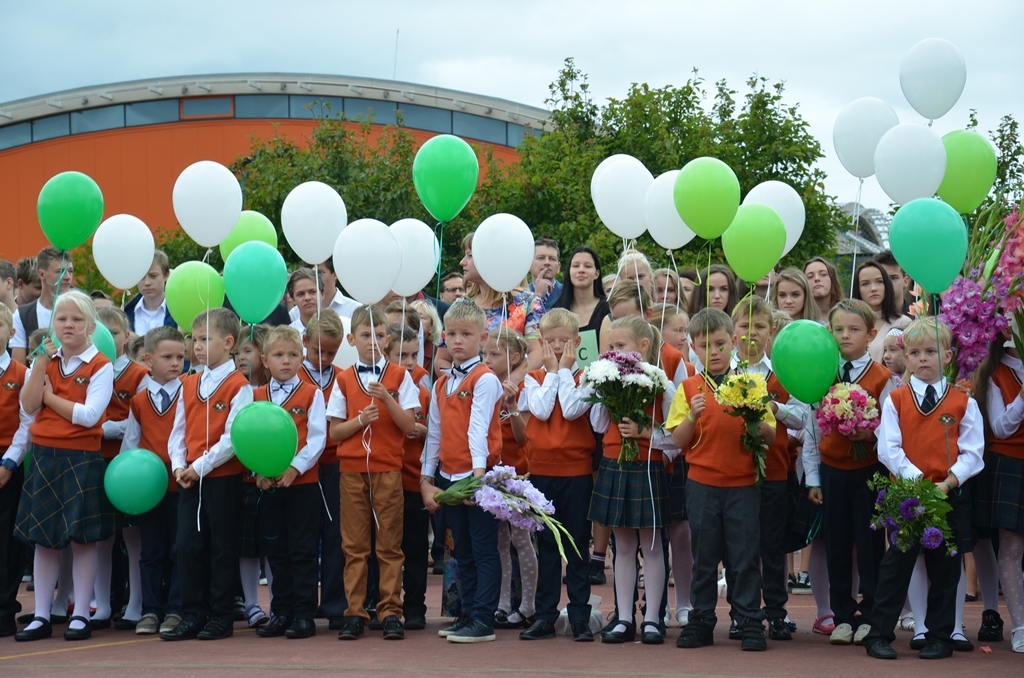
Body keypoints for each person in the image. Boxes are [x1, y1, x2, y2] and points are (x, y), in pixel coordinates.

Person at [862, 317, 983, 660]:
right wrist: (919, 483)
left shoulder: (963, 402)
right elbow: (889, 448)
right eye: (915, 352)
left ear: (948, 355)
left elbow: (973, 452)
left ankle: (940, 637)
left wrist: (947, 483)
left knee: (946, 568)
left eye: (931, 351)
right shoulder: (896, 400)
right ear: (906, 357)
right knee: (895, 566)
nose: (923, 358)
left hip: (948, 495)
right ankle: (879, 634)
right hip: (908, 497)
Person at [667, 307, 775, 651]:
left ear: (734, 343)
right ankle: (701, 620)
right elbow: (678, 441)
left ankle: (748, 620)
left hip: (743, 484)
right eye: (704, 345)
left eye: (720, 343)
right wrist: (692, 417)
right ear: (693, 349)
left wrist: (754, 416)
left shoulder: (750, 384)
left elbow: (771, 436)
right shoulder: (688, 388)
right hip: (702, 484)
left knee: (744, 557)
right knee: (704, 556)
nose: (713, 351)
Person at [13, 290, 114, 642]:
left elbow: (88, 417)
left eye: (76, 319)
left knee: (81, 540)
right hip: (43, 456)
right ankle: (41, 615)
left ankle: (81, 614)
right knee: (43, 541)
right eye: (61, 319)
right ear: (52, 323)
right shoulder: (46, 360)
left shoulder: (101, 365)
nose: (68, 325)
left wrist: (48, 397)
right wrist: (39, 366)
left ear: (90, 324)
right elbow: (27, 407)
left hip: (80, 459)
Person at [802, 299, 894, 647]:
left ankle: (871, 614)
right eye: (838, 329)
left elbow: (892, 428)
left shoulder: (883, 378)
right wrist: (812, 478)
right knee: (837, 542)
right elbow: (812, 429)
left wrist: (869, 434)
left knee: (870, 544)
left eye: (854, 329)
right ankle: (842, 616)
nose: (845, 335)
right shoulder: (821, 374)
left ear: (870, 334)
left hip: (869, 473)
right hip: (832, 473)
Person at [162, 307, 253, 641]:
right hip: (189, 478)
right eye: (194, 339)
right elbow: (178, 431)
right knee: (186, 546)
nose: (197, 346)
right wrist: (178, 466)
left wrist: (199, 467)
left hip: (220, 479)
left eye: (205, 339)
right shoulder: (188, 383)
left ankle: (220, 615)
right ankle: (192, 612)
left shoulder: (238, 385)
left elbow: (234, 437)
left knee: (221, 547)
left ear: (228, 342)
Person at [328, 305, 419, 641]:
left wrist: (387, 400)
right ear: (352, 339)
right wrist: (360, 421)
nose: (373, 342)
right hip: (352, 471)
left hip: (387, 471)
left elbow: (410, 425)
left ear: (388, 338)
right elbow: (335, 432)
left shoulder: (398, 376)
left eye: (379, 335)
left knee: (389, 545)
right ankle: (355, 613)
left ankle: (391, 611)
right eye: (366, 336)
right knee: (354, 546)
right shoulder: (343, 379)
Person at [590, 315, 677, 646]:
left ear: (643, 346)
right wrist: (604, 393)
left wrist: (646, 433)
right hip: (615, 464)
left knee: (652, 547)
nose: (613, 352)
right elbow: (599, 425)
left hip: (648, 468)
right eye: (610, 346)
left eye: (620, 346)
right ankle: (624, 617)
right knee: (622, 547)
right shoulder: (608, 379)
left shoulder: (662, 383)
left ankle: (653, 618)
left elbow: (676, 435)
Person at [420, 300, 504, 644]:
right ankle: (467, 613)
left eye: (466, 334)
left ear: (481, 337)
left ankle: (484, 619)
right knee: (463, 552)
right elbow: (434, 434)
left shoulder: (484, 379)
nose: (458, 341)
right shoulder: (441, 384)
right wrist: (426, 480)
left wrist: (479, 479)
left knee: (484, 550)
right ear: (442, 336)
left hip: (477, 477)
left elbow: (478, 427)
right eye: (452, 334)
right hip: (450, 478)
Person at [731, 295, 808, 642]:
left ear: (771, 331)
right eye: (745, 326)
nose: (751, 333)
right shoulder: (723, 373)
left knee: (772, 547)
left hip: (775, 472)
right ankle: (740, 613)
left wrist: (774, 409)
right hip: (733, 476)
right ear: (734, 332)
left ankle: (776, 612)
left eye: (759, 326)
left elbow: (803, 416)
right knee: (738, 549)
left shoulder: (782, 373)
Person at [517, 310, 594, 642]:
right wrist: (553, 373)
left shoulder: (588, 376)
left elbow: (573, 408)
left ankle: (579, 616)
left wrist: (563, 372)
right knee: (547, 545)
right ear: (541, 343)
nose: (558, 347)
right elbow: (543, 410)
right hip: (543, 472)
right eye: (551, 342)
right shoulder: (533, 377)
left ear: (577, 342)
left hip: (576, 472)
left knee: (576, 544)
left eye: (564, 341)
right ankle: (545, 614)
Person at [252, 326, 327, 640]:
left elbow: (317, 438)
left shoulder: (313, 393)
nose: (286, 361)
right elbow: (248, 436)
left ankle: (304, 614)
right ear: (265, 360)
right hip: (269, 486)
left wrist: (295, 468)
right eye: (279, 355)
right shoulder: (255, 396)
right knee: (276, 551)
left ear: (302, 356)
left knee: (302, 550)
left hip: (302, 485)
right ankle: (280, 611)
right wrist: (257, 470)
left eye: (293, 355)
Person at [121, 326, 186, 636]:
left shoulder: (191, 393)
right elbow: (130, 447)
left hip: (181, 486)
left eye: (181, 357)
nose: (176, 363)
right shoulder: (138, 402)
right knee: (151, 552)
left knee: (179, 549)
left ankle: (175, 609)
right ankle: (150, 610)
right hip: (149, 492)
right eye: (167, 357)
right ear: (148, 359)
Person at [480, 328, 538, 635]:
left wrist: (512, 405)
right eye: (485, 354)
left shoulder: (525, 385)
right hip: (494, 471)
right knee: (500, 540)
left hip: (520, 471)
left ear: (514, 358)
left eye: (495, 355)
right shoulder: (484, 383)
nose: (488, 360)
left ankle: (528, 604)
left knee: (520, 538)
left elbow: (522, 435)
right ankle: (503, 604)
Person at [95, 307, 149, 631]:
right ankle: (102, 604)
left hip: (127, 463)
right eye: (99, 333)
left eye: (113, 333)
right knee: (101, 537)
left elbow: (139, 419)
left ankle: (136, 603)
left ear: (127, 337)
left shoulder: (139, 374)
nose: (107, 339)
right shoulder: (89, 371)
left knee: (133, 538)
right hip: (95, 460)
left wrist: (105, 428)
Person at [973, 318, 1024, 653]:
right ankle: (1020, 625)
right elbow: (1001, 428)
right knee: (1011, 547)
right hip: (1010, 463)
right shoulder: (996, 371)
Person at [296, 311, 347, 630]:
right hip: (298, 468)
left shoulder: (343, 377)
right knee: (301, 538)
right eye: (318, 351)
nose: (325, 358)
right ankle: (301, 603)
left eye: (331, 352)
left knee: (335, 534)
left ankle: (333, 602)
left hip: (333, 465)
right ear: (304, 342)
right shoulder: (289, 376)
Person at [386, 323, 430, 631]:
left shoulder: (425, 394)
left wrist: (425, 430)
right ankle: (383, 604)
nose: (411, 362)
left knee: (415, 548)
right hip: (385, 480)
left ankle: (415, 607)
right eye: (402, 354)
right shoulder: (378, 389)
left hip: (414, 481)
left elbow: (436, 435)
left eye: (415, 354)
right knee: (385, 547)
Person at [461, 233, 544, 371]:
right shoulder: (461, 306)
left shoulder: (529, 303)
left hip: (516, 389)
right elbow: (443, 358)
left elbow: (538, 352)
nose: (462, 262)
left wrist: (513, 381)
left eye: (470, 255)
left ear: (491, 259)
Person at [234, 324, 271, 629]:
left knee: (272, 544)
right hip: (243, 479)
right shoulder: (235, 388)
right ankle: (250, 604)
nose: (240, 358)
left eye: (247, 351)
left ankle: (277, 601)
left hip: (273, 479)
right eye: (237, 353)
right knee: (246, 545)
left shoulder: (273, 390)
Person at [0, 304, 28, 637]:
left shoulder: (21, 373)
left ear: (10, 333)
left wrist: (8, 463)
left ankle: (6, 609)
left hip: (9, 463)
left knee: (8, 540)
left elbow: (28, 424)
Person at [12, 246, 75, 365]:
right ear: (42, 274)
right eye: (60, 271)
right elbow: (19, 368)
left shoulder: (82, 310)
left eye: (70, 271)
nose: (68, 277)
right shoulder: (22, 315)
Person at [852, 260, 911, 363]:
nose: (873, 288)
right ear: (857, 289)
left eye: (879, 282)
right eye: (865, 284)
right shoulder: (848, 324)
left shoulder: (903, 322)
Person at [552, 247, 609, 346]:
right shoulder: (556, 310)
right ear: (569, 272)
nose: (581, 270)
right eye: (576, 266)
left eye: (587, 266)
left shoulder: (608, 309)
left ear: (597, 274)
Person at [289, 260, 360, 325]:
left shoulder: (354, 309)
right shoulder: (294, 313)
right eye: (311, 273)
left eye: (319, 273)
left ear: (335, 274)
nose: (315, 277)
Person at [124, 251, 175, 335]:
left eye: (153, 276)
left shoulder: (176, 311)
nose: (147, 282)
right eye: (141, 277)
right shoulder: (126, 313)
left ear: (166, 275)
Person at [803, 257, 845, 322]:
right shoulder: (798, 319)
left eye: (823, 274)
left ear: (832, 280)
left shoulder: (847, 314)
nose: (817, 279)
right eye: (810, 276)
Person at [410, 299, 441, 379]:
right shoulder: (395, 348)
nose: (415, 321)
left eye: (421, 317)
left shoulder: (437, 353)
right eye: (411, 317)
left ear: (431, 327)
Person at [529, 238, 563, 312]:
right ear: (529, 264)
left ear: (558, 267)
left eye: (552, 259)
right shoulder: (519, 295)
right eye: (541, 258)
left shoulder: (568, 293)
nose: (547, 262)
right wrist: (537, 297)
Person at [287, 268, 321, 336]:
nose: (307, 298)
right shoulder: (287, 335)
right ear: (293, 299)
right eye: (300, 294)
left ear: (322, 294)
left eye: (312, 292)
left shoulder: (338, 329)